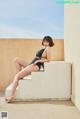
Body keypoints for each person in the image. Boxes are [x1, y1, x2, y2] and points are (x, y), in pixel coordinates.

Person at [5, 36, 55, 102]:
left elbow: (48, 60)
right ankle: (19, 77)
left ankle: (11, 96)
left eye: (47, 41)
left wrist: (38, 61)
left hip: (35, 66)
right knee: (16, 60)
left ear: (50, 42)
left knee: (16, 77)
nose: (45, 43)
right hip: (32, 64)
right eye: (44, 41)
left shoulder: (48, 48)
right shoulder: (44, 48)